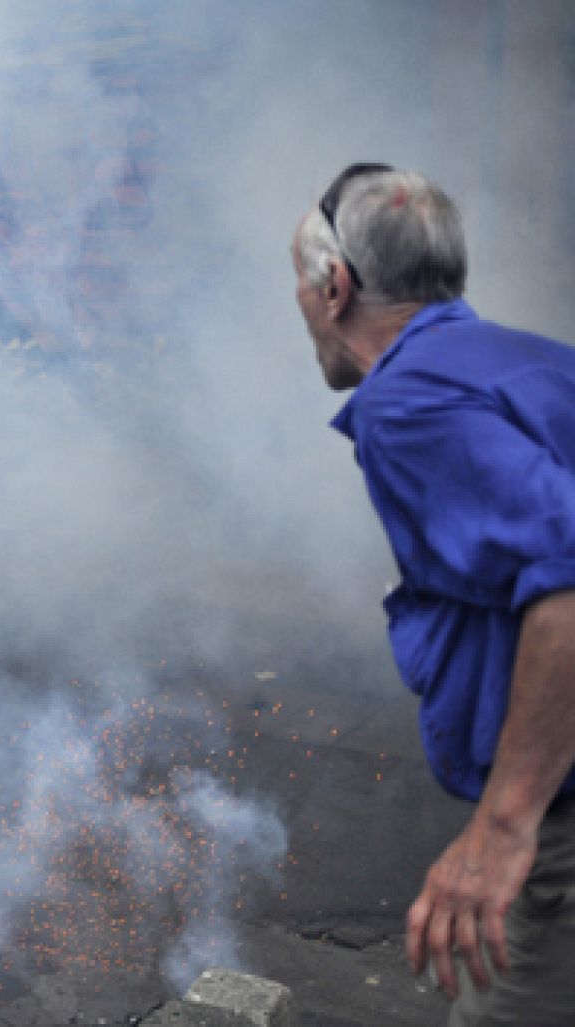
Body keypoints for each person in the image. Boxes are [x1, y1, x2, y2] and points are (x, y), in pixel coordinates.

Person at [292, 164, 575, 1023]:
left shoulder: (407, 402)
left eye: (299, 287)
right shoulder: (531, 361)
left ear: (335, 285)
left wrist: (503, 825)